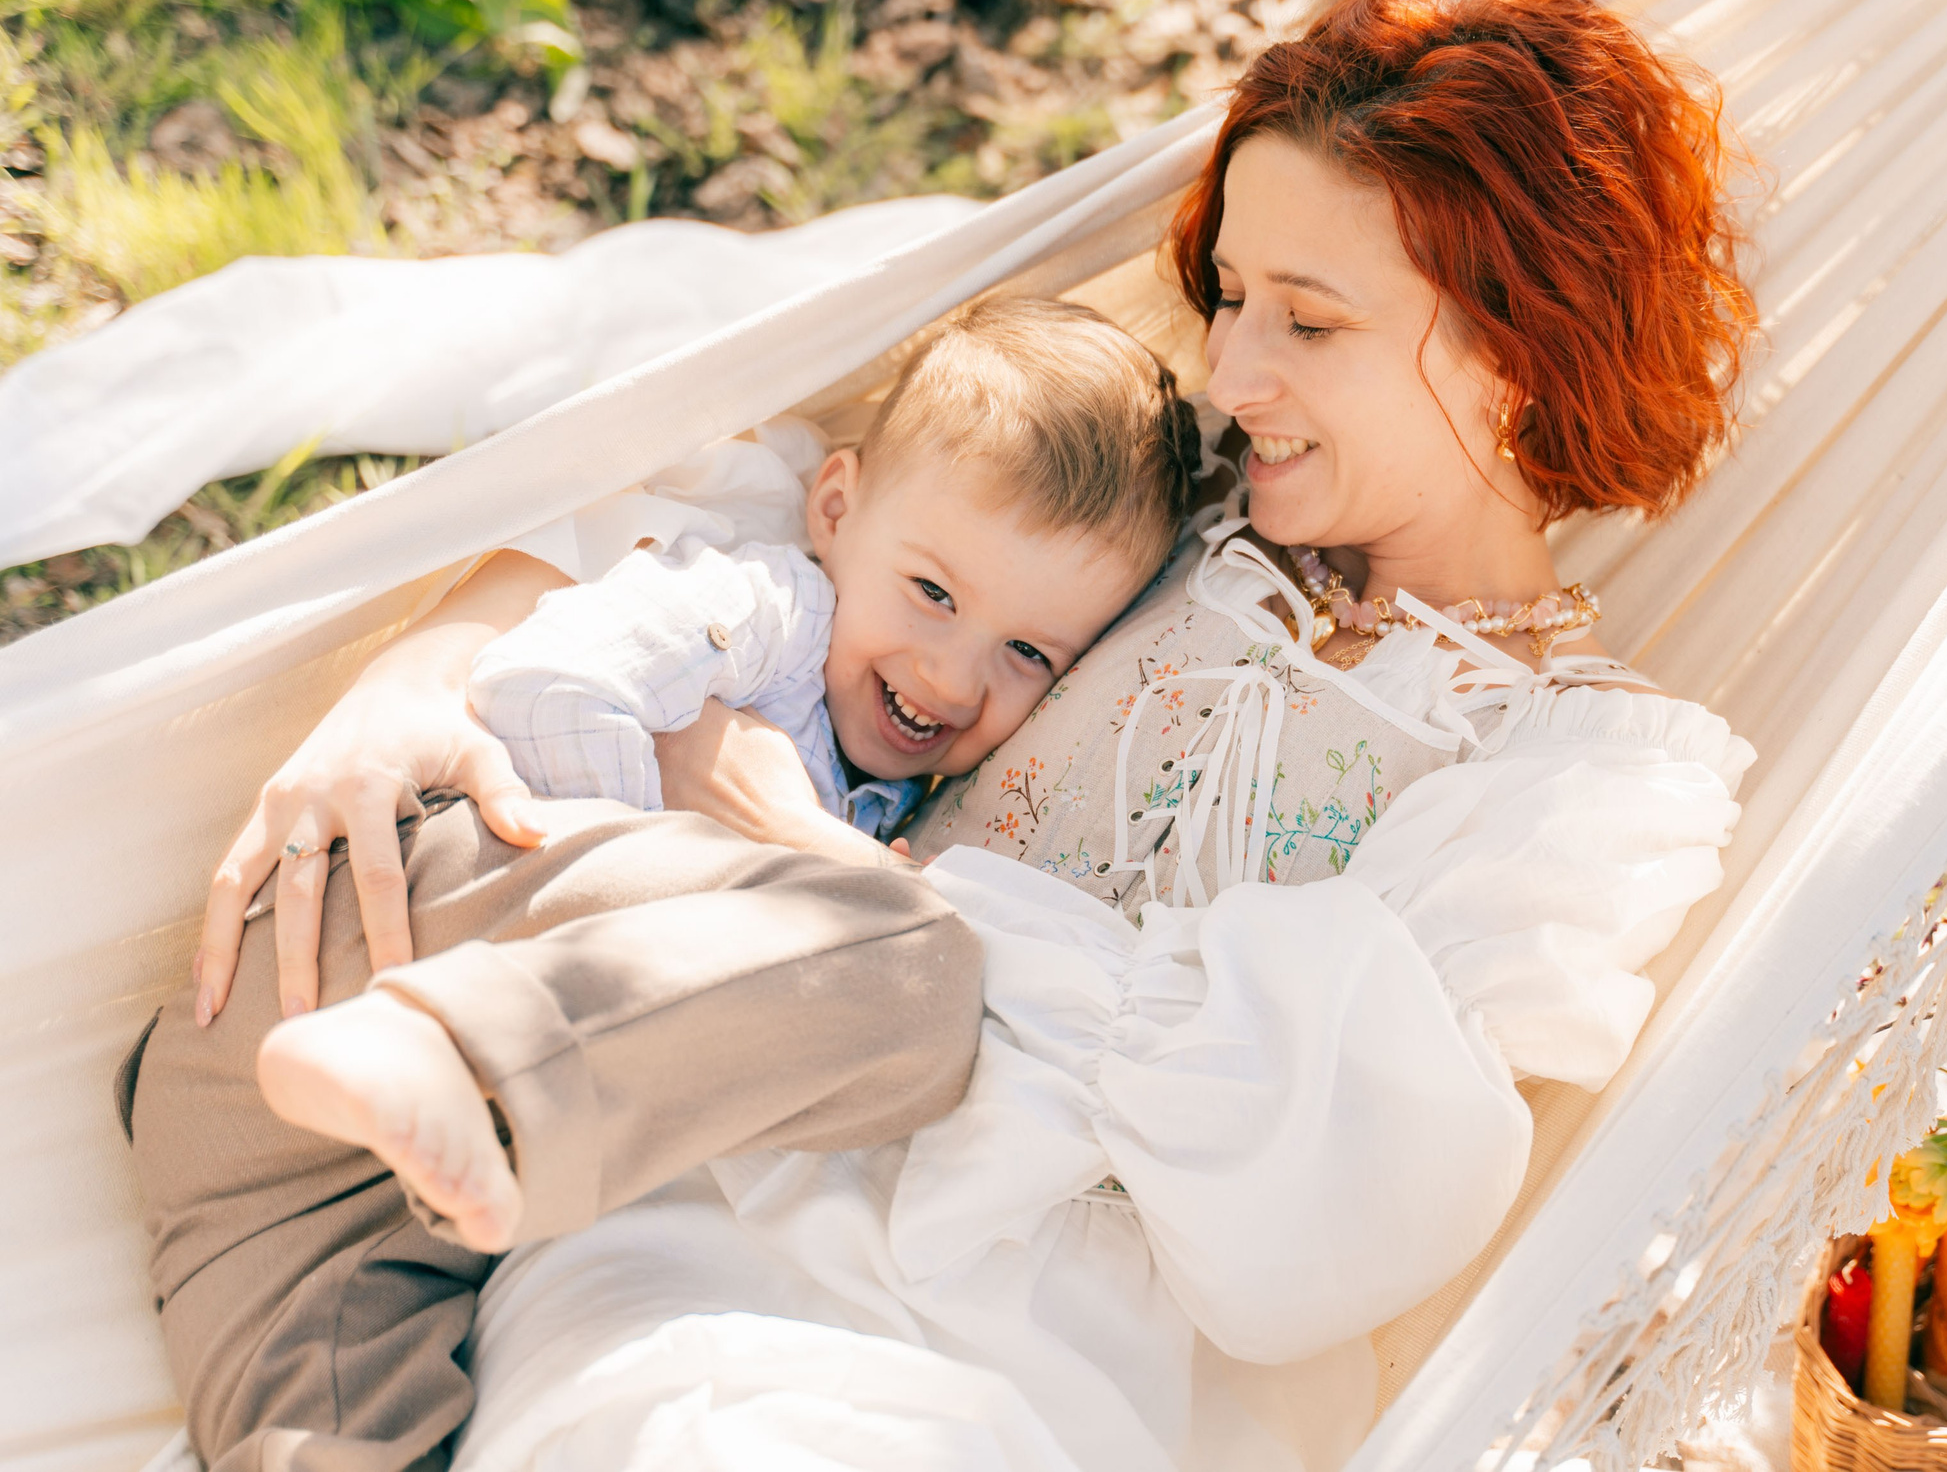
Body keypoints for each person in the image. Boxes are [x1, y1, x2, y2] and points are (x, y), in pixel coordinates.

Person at [172, 0, 1761, 1472]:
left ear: (1517, 348)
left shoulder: (1575, 778)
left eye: (1310, 318)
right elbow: (740, 517)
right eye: (1227, 298)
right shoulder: (1157, 504)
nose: (1228, 371)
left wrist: (855, 875)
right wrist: (408, 675)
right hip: (717, 1178)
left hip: (1062, 1334)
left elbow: (1318, 1227)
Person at [126, 302, 1200, 1470]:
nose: (952, 673)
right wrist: (741, 861)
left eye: (1027, 654)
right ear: (836, 509)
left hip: (274, 1175)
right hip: (385, 946)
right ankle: (449, 1051)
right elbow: (547, 685)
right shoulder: (768, 612)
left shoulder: (890, 778)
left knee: (334, 1443)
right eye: (934, 593)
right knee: (919, 967)